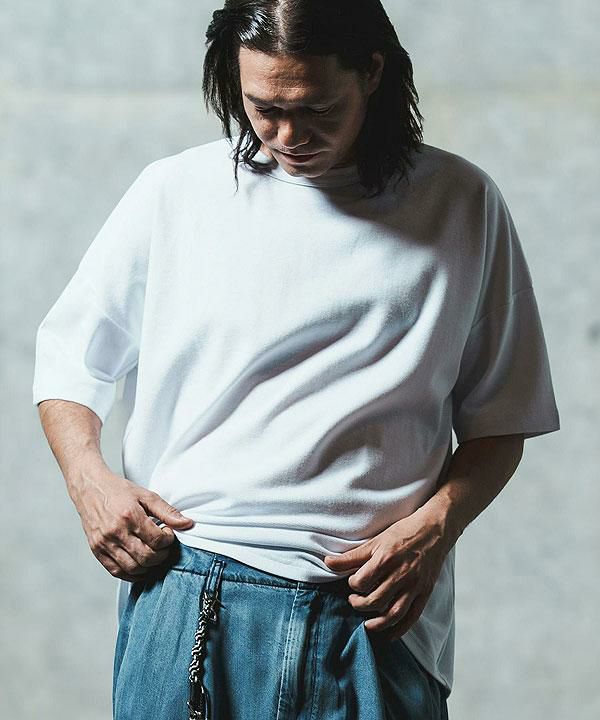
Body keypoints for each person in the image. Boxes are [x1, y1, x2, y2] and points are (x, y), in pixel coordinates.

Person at [32, 1, 560, 718]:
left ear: (371, 72)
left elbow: (503, 418)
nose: (287, 135)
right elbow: (71, 360)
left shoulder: (460, 203)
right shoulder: (175, 193)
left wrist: (437, 526)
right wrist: (88, 481)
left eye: (316, 109)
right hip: (192, 583)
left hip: (371, 610)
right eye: (264, 108)